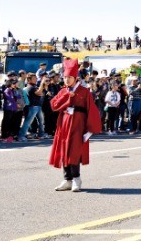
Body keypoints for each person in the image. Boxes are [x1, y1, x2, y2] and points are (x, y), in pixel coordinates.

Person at [49, 58, 102, 192]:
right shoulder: (63, 91)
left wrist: (89, 131)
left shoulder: (85, 92)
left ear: (76, 78)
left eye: (69, 77)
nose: (66, 80)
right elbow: (54, 105)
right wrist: (66, 96)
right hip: (64, 124)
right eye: (65, 77)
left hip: (78, 126)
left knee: (74, 152)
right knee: (64, 151)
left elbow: (93, 111)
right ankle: (67, 179)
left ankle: (76, 179)